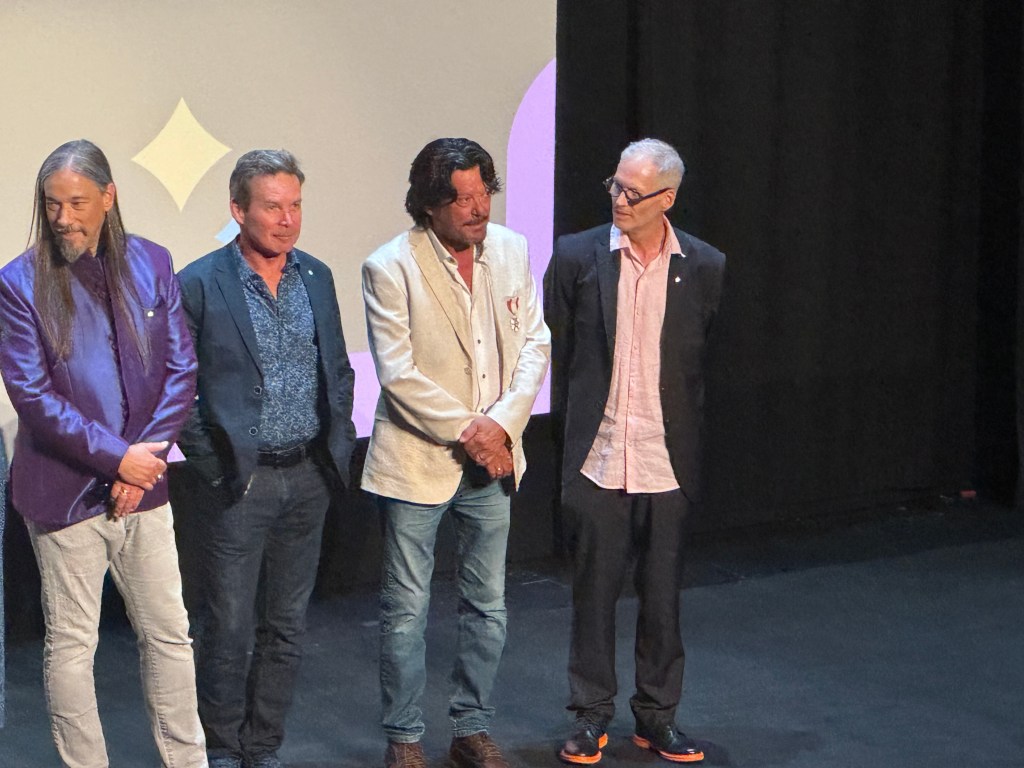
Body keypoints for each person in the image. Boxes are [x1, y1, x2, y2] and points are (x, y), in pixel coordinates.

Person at [0, 139, 205, 767]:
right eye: (52, 204)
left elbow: (180, 370)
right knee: (72, 646)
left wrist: (141, 465)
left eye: (77, 202)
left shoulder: (152, 261)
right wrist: (119, 460)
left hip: (145, 488)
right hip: (64, 495)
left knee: (169, 635)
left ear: (109, 197)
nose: (63, 218)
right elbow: (33, 396)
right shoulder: (18, 283)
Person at [361, 138, 550, 768]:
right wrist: (476, 432)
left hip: (494, 462)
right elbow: (399, 374)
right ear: (429, 204)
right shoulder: (390, 266)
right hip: (419, 461)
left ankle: (472, 727)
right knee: (405, 611)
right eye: (462, 198)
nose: (478, 208)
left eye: (483, 193)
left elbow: (534, 344)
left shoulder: (512, 249)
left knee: (487, 605)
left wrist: (502, 427)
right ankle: (405, 738)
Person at [171, 149, 357, 768]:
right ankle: (222, 749)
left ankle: (263, 746)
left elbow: (336, 368)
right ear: (237, 209)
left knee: (287, 626)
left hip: (307, 476)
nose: (287, 219)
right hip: (238, 483)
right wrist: (213, 464)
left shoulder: (317, 276)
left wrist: (334, 449)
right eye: (273, 207)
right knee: (227, 627)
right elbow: (180, 388)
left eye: (295, 205)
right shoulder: (200, 282)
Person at [545, 139, 725, 764]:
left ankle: (658, 717)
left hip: (666, 460)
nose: (619, 200)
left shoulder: (704, 265)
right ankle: (591, 715)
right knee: (593, 596)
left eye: (633, 192)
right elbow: (556, 347)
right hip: (598, 457)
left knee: (663, 597)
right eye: (615, 186)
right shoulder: (578, 256)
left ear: (666, 199)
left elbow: (702, 358)